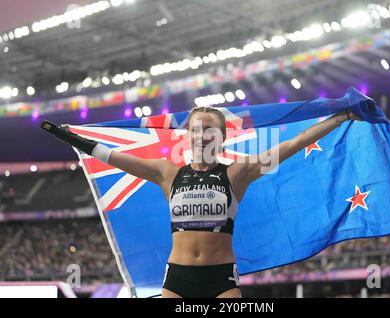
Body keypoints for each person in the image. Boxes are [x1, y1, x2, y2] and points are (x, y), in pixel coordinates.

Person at [41, 106, 361, 298]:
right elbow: (113, 157)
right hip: (177, 279)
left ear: (221, 137)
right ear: (187, 136)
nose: (202, 135)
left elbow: (294, 143)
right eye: (196, 130)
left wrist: (341, 117)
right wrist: (70, 137)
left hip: (220, 279)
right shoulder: (167, 173)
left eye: (210, 130)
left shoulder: (239, 172)